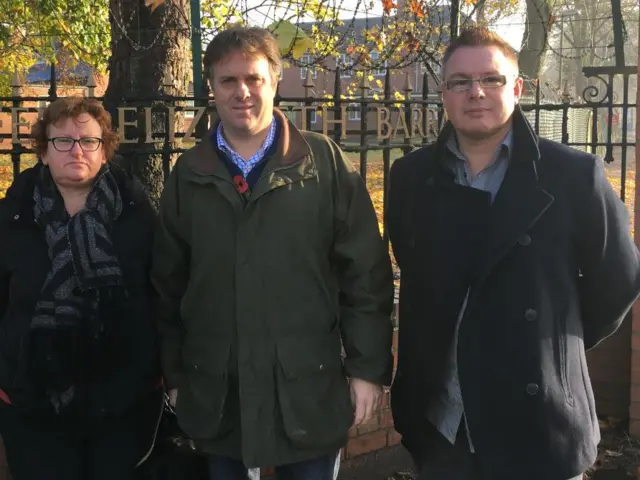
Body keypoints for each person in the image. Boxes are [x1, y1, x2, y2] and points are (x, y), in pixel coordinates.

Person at [387, 27, 640, 480]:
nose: (476, 92)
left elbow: (618, 279)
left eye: (492, 78)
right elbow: (417, 269)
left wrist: (555, 339)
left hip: (541, 421)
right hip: (445, 424)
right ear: (444, 93)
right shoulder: (410, 177)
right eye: (459, 81)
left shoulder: (573, 176)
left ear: (517, 87)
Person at [150, 26, 393, 480]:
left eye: (253, 78)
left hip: (307, 387)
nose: (241, 91)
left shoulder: (323, 164)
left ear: (275, 80)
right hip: (219, 391)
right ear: (211, 87)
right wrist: (177, 376)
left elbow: (366, 275)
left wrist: (366, 369)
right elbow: (167, 285)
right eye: (228, 80)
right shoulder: (190, 175)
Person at [0, 97, 163, 480]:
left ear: (104, 152)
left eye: (89, 141)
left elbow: (161, 297)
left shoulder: (138, 216)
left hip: (123, 400)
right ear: (43, 152)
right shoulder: (11, 219)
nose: (76, 149)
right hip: (33, 401)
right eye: (63, 141)